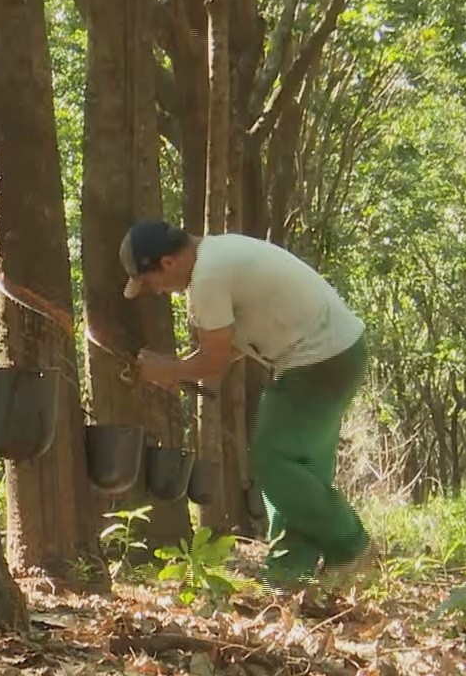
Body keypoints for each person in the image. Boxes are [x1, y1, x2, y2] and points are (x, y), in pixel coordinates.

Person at [119, 218, 373, 586]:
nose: (156, 292)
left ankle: (351, 545)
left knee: (272, 463)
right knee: (299, 472)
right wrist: (182, 370)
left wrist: (170, 371)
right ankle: (290, 577)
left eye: (151, 282)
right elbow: (229, 348)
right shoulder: (219, 254)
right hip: (335, 353)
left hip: (318, 361)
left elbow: (216, 360)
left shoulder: (207, 276)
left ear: (168, 263)